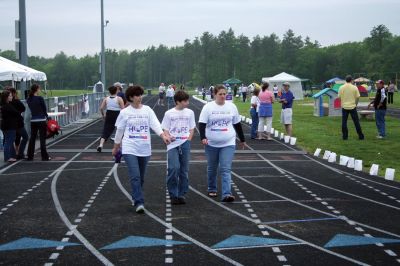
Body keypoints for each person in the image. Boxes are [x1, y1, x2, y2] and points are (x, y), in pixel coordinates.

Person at [112, 85, 171, 213]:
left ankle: (135, 195)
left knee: (141, 177)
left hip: (144, 147)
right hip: (129, 147)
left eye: (140, 95)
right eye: (137, 95)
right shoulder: (124, 113)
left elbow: (155, 124)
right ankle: (139, 202)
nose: (140, 97)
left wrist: (163, 136)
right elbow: (119, 131)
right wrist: (116, 147)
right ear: (131, 98)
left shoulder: (148, 110)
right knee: (135, 176)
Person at [199, 85, 245, 202]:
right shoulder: (208, 107)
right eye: (220, 94)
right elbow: (202, 124)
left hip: (228, 142)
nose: (223, 96)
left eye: (225, 94)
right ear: (214, 95)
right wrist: (203, 137)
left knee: (225, 168)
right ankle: (212, 188)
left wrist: (242, 139)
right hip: (211, 143)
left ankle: (227, 194)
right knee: (212, 168)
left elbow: (237, 124)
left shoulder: (232, 107)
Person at [161, 90, 195, 205]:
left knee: (184, 170)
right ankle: (173, 193)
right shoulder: (169, 113)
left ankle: (181, 194)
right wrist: (168, 137)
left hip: (185, 143)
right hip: (172, 144)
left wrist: (188, 140)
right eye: (185, 101)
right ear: (178, 102)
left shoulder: (190, 113)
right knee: (173, 168)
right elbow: (165, 129)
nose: (187, 103)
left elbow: (191, 128)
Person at [26, 84, 51, 161]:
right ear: (37, 89)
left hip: (33, 121)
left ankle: (30, 156)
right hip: (41, 120)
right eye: (39, 89)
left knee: (32, 138)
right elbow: (44, 109)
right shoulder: (40, 98)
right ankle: (44, 156)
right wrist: (47, 117)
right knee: (42, 139)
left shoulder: (29, 99)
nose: (40, 90)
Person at [97, 86, 125, 152]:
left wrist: (103, 115)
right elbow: (123, 109)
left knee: (106, 130)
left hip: (109, 114)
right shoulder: (119, 98)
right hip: (117, 114)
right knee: (120, 130)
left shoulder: (106, 99)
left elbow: (101, 108)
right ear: (116, 91)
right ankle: (121, 146)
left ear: (109, 92)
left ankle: (101, 145)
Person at [338, 75, 364, 140]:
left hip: (344, 107)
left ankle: (345, 137)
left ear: (345, 80)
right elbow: (358, 97)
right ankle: (361, 136)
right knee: (356, 122)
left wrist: (342, 102)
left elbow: (339, 97)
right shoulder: (354, 87)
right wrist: (356, 104)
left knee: (344, 122)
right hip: (352, 106)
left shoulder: (341, 87)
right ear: (351, 80)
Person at [8, 87, 29, 160]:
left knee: (11, 139)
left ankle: (14, 154)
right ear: (13, 93)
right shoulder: (16, 101)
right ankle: (19, 153)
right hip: (18, 123)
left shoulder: (4, 103)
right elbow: (23, 108)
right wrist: (18, 112)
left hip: (9, 123)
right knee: (24, 137)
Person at [0, 90, 19, 162]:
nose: (12, 97)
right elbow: (16, 113)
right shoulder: (7, 106)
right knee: (9, 141)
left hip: (6, 125)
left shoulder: (5, 105)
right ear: (6, 97)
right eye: (10, 96)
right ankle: (7, 157)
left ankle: (12, 155)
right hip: (9, 126)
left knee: (9, 140)